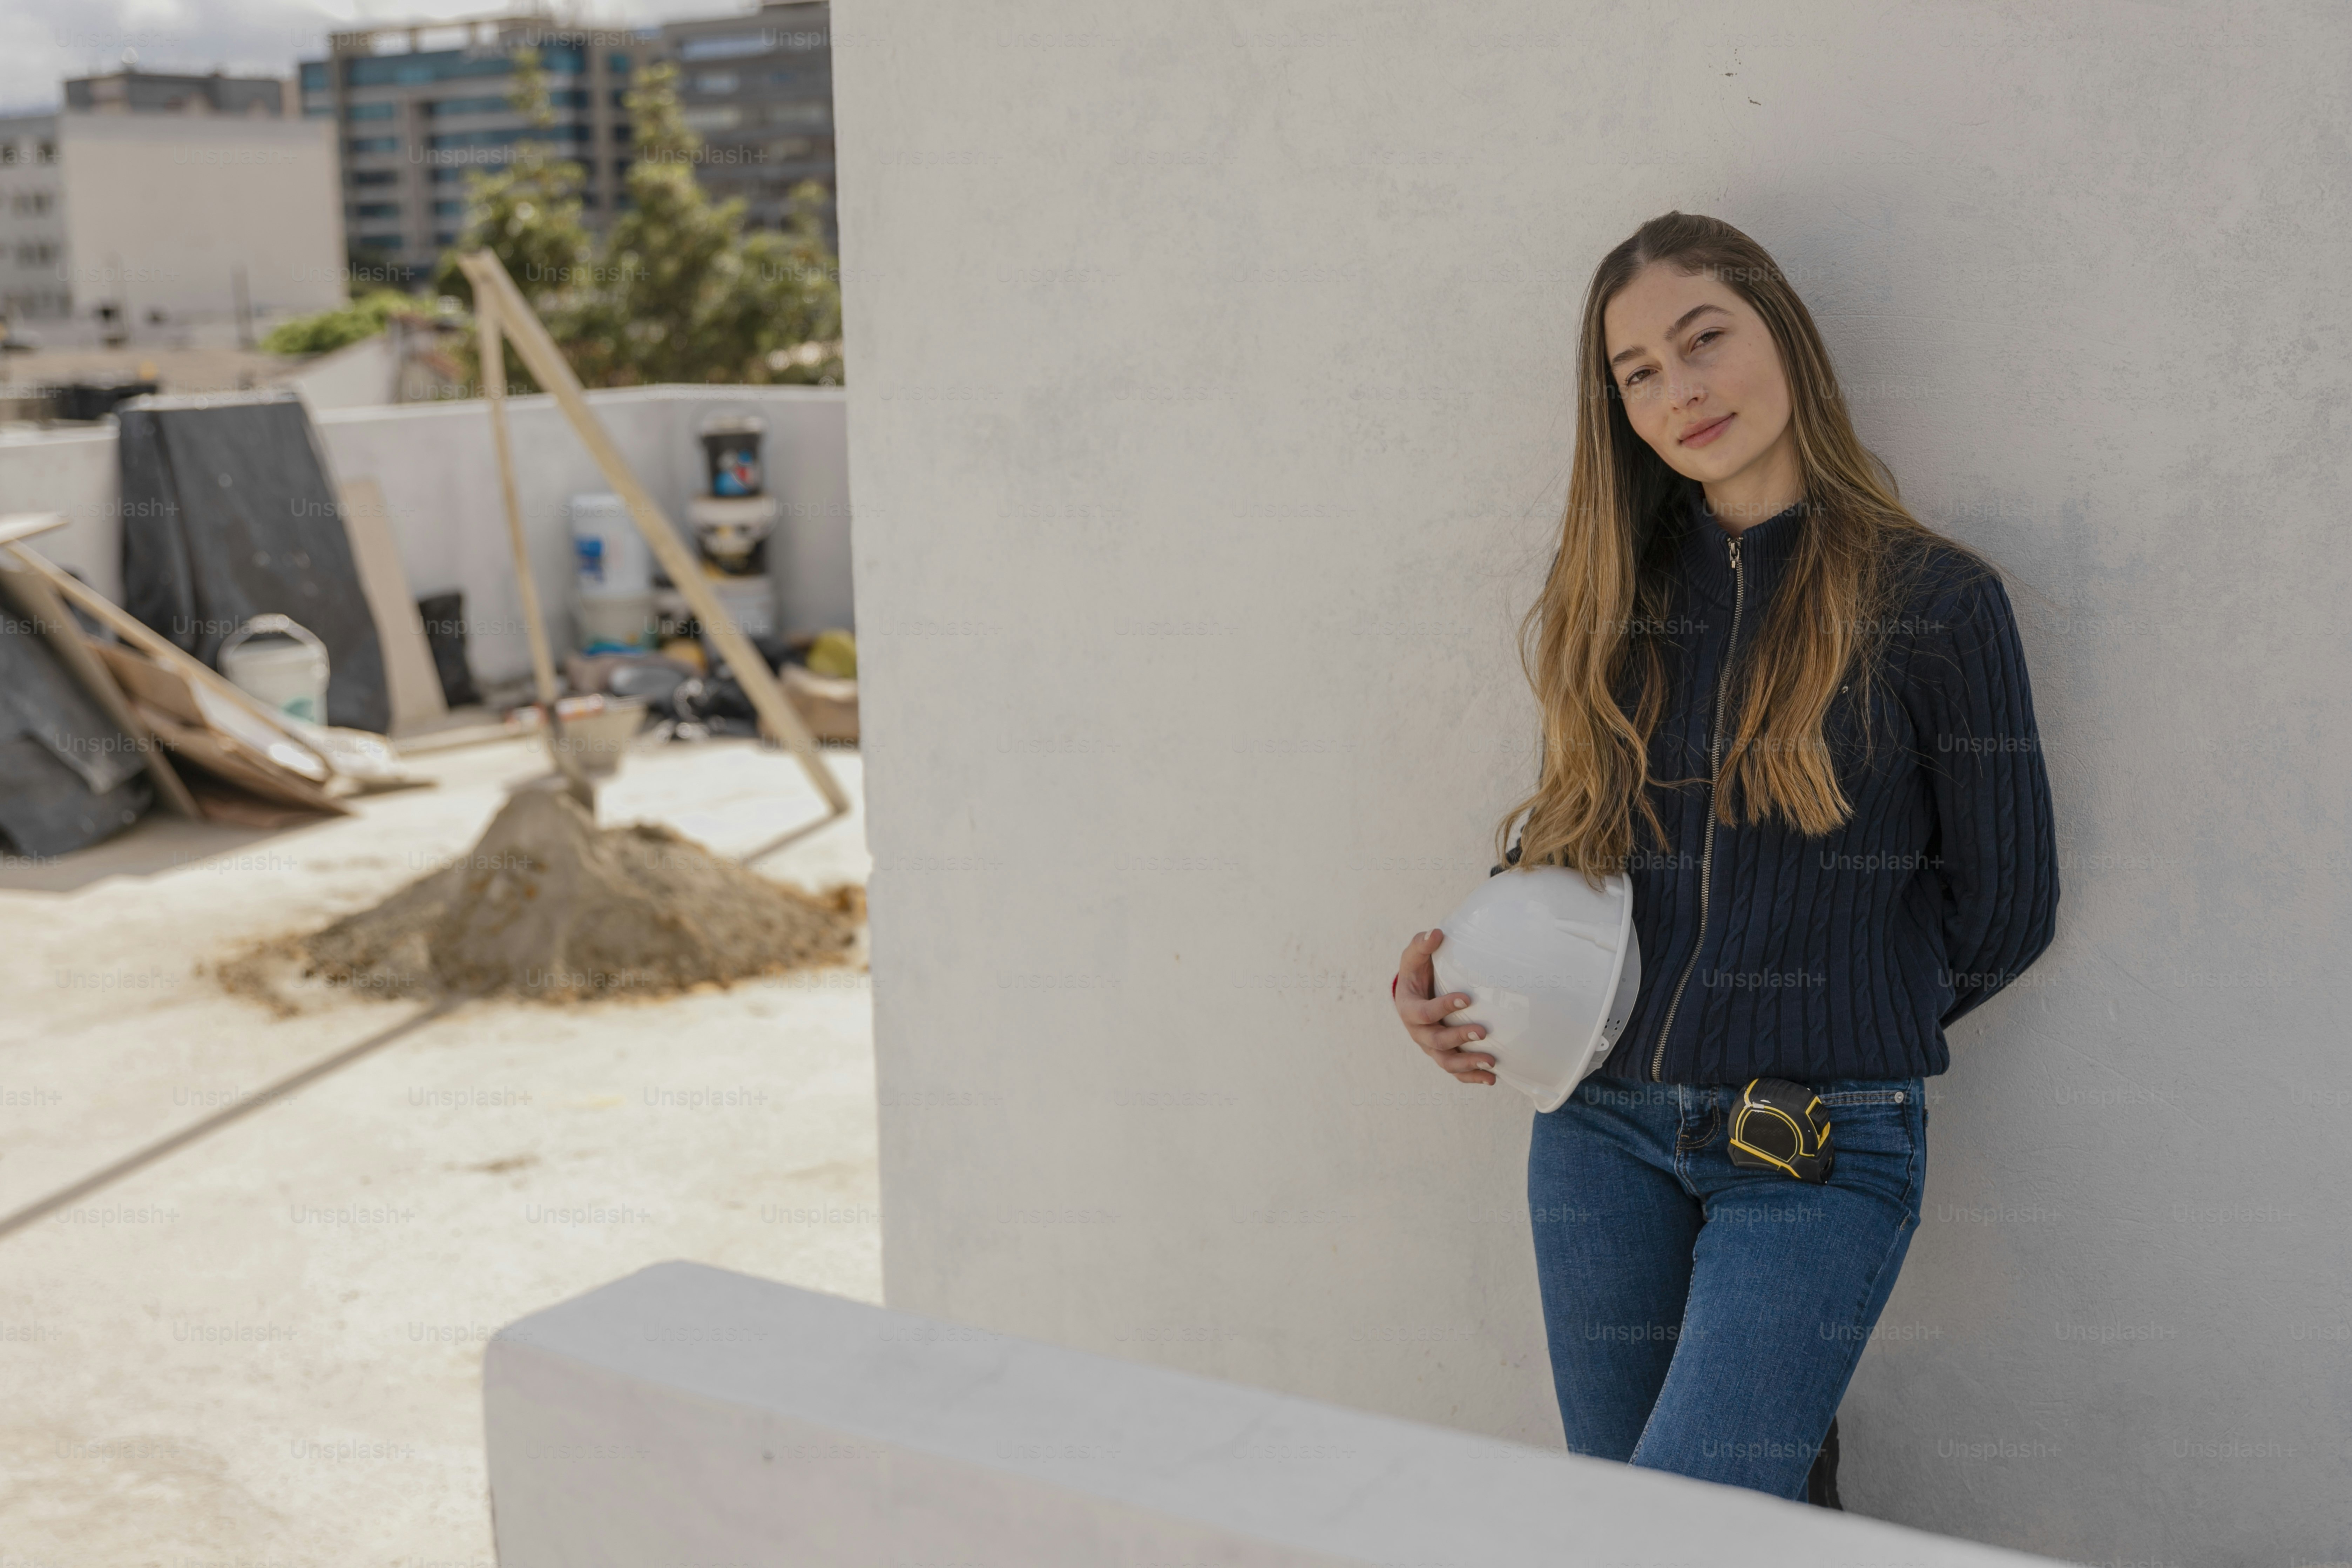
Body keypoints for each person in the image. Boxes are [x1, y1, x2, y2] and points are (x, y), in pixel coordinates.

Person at [1390, 211, 2059, 1508]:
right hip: (1597, 1135)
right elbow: (1574, 854)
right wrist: (1474, 989)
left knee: (1679, 1530)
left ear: (1783, 336)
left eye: (1704, 340)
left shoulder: (1935, 604)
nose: (1679, 389)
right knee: (1649, 1522)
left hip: (1810, 1146)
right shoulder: (1616, 605)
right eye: (1638, 373)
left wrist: (1839, 1026)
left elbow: (2008, 907)